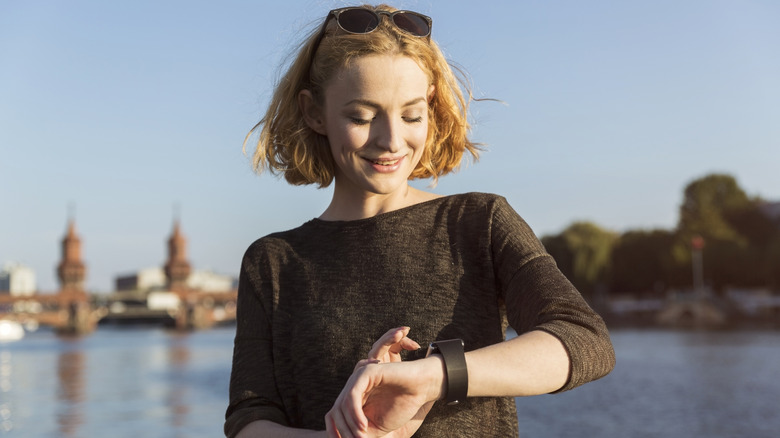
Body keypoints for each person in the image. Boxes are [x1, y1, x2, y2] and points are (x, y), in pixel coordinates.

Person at [225, 4, 615, 437]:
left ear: (430, 104)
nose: (392, 140)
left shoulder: (479, 222)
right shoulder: (272, 262)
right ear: (314, 112)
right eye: (361, 116)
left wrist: (431, 376)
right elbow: (248, 419)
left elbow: (585, 340)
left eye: (411, 115)